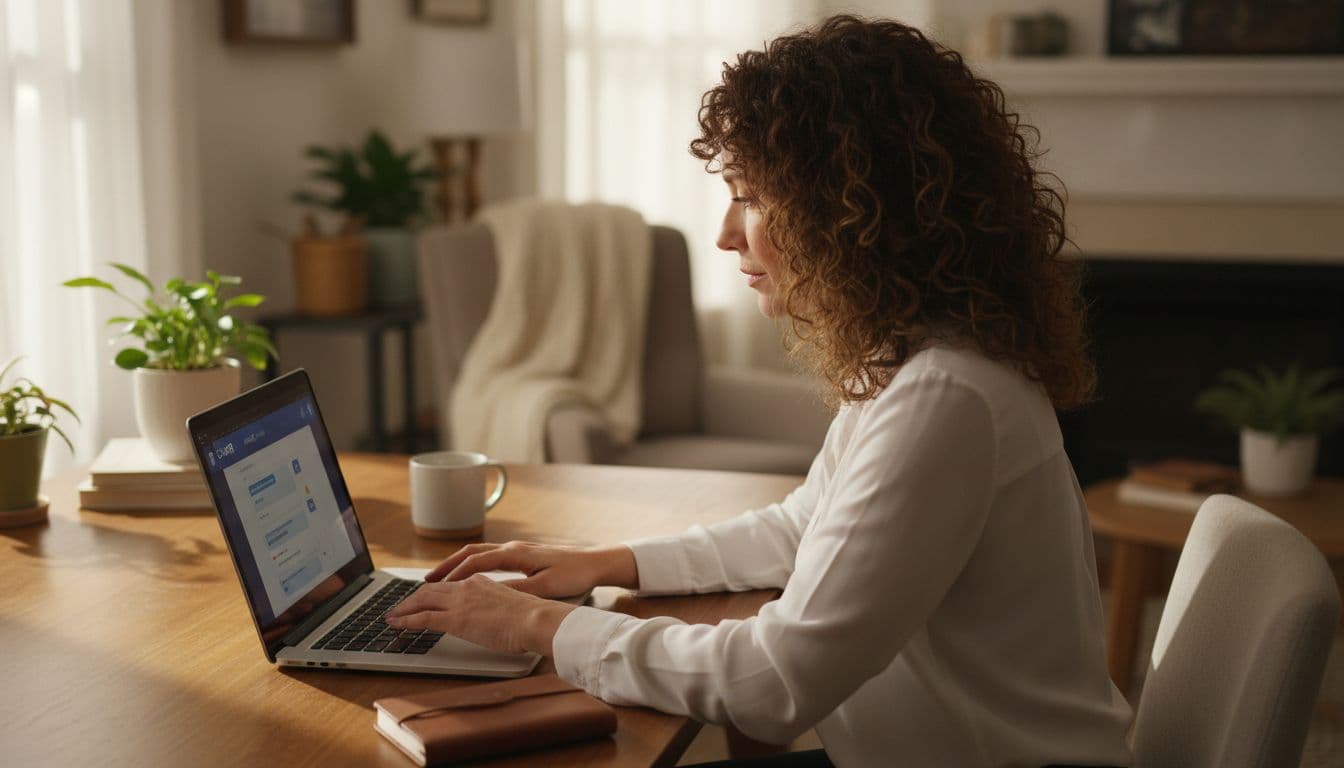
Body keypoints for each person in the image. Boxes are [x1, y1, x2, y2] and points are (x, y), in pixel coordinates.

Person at [386, 14, 1132, 768]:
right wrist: (612, 563)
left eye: (749, 196)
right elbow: (803, 528)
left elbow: (777, 683)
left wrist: (533, 627)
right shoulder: (920, 358)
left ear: (853, 210)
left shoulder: (945, 395)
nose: (724, 233)